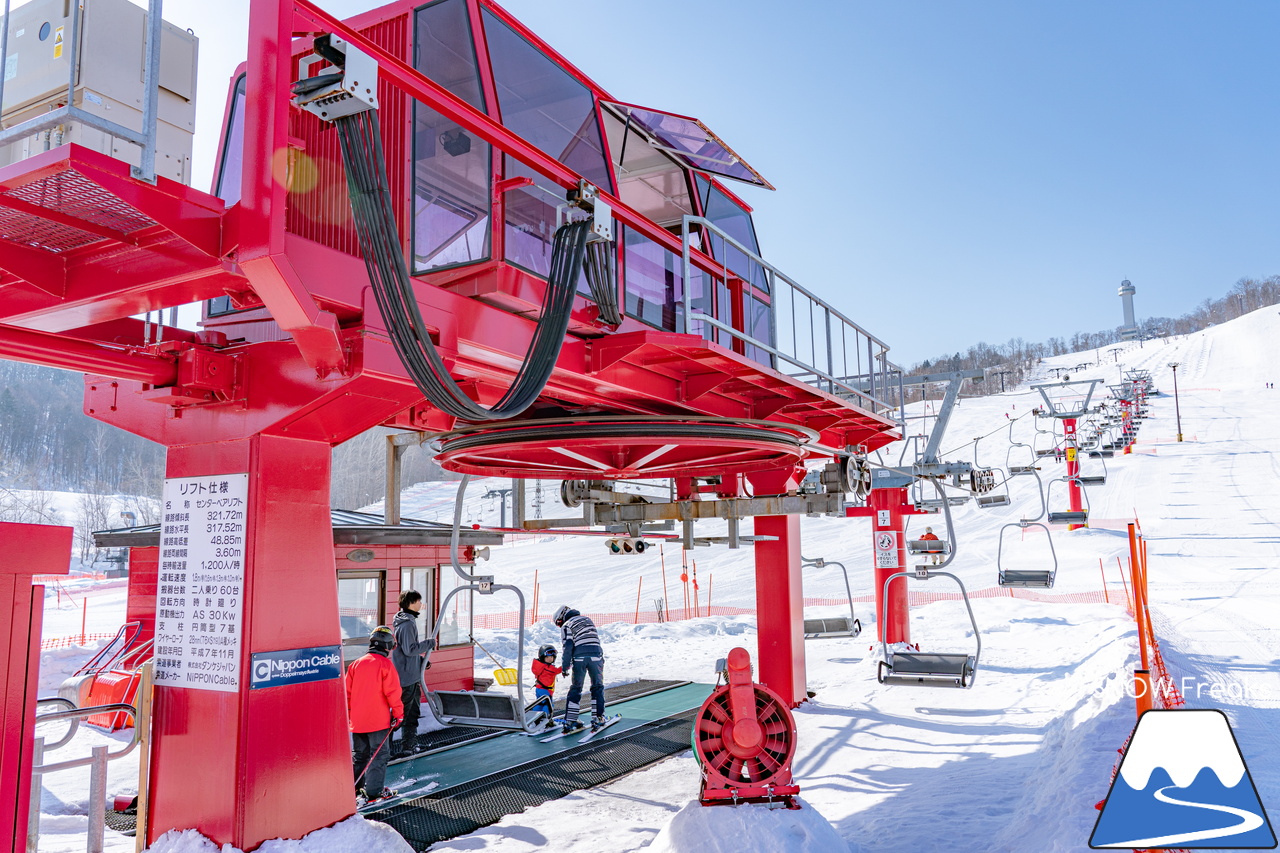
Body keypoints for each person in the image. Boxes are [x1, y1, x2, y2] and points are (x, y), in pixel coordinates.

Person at [345, 625, 403, 803]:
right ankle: (373, 792)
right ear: (387, 645)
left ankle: (353, 789)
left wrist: (350, 715)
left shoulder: (356, 664)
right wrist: (399, 714)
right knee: (379, 755)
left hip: (358, 721)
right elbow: (393, 693)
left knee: (360, 755)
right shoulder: (385, 665)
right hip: (378, 721)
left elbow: (347, 693)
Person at [391, 590, 433, 758]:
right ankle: (404, 746)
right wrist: (429, 644)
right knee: (407, 713)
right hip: (408, 677)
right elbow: (410, 650)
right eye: (418, 601)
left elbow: (405, 650)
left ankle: (408, 745)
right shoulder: (407, 624)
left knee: (407, 712)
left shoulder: (402, 621)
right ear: (411, 602)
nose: (420, 604)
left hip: (407, 672)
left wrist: (421, 661)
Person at [553, 605, 606, 734]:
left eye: (559, 623)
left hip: (579, 658)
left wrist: (565, 667)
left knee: (576, 688)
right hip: (596, 656)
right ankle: (598, 717)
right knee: (597, 687)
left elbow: (568, 647)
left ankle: (570, 720)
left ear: (562, 616)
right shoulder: (587, 619)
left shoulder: (567, 625)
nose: (560, 625)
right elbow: (595, 640)